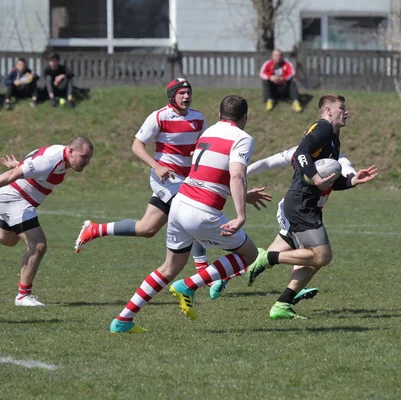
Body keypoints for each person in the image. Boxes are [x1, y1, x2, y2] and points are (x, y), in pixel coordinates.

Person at [74, 79, 270, 277]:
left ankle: (96, 229)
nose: (186, 97)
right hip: (166, 180)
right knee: (193, 212)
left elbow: (209, 152)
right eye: (181, 93)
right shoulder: (159, 116)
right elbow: (137, 145)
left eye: (189, 93)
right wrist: (156, 166)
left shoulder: (199, 118)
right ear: (172, 96)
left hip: (189, 180)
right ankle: (202, 270)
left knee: (147, 228)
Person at [110, 95, 260, 333]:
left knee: (169, 267)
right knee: (249, 254)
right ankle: (188, 285)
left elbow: (211, 176)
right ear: (244, 118)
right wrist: (241, 214)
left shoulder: (208, 133)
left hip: (180, 203)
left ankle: (122, 320)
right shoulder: (243, 138)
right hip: (202, 210)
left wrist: (241, 195)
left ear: (220, 115)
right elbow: (237, 175)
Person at [246, 94, 379, 320]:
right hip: (301, 203)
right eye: (341, 108)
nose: (345, 113)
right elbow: (301, 154)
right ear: (328, 110)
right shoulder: (323, 127)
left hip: (307, 204)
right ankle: (267, 258)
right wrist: (316, 178)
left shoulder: (333, 138)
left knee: (315, 258)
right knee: (322, 256)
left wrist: (352, 180)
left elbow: (332, 182)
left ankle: (282, 305)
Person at [204, 145, 357, 301]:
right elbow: (267, 163)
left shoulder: (335, 155)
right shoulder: (301, 152)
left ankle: (223, 277)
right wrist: (239, 177)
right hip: (295, 212)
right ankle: (294, 289)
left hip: (306, 212)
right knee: (311, 252)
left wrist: (355, 177)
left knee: (269, 257)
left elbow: (347, 168)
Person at [0, 137, 94, 307]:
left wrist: (19, 166)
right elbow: (12, 175)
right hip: (15, 198)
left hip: (16, 199)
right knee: (38, 245)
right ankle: (23, 296)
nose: (86, 162)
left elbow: (29, 168)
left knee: (9, 240)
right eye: (84, 157)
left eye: (89, 158)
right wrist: (17, 169)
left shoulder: (58, 157)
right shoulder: (50, 160)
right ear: (71, 151)